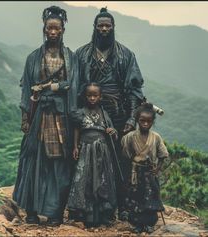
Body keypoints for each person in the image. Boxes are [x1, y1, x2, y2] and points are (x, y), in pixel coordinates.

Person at [75, 7, 145, 219]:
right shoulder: (82, 54)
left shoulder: (126, 55)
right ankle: (87, 206)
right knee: (87, 158)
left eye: (108, 26)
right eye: (100, 26)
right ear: (95, 28)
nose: (104, 29)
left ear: (113, 28)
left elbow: (134, 90)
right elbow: (76, 87)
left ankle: (120, 205)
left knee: (120, 159)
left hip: (118, 114)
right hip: (89, 112)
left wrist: (132, 117)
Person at [12, 6, 79, 226]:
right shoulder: (33, 58)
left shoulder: (70, 58)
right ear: (44, 29)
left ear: (62, 30)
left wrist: (57, 86)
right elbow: (26, 89)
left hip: (61, 118)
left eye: (57, 28)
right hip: (38, 116)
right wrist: (25, 117)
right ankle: (31, 210)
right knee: (34, 161)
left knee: (58, 165)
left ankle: (54, 213)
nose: (53, 32)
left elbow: (75, 85)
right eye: (49, 28)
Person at [67, 83, 117, 227]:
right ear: (85, 96)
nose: (92, 98)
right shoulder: (81, 112)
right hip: (85, 149)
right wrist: (75, 146)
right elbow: (77, 129)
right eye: (90, 95)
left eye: (95, 95)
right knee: (85, 180)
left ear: (100, 97)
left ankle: (102, 215)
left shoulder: (104, 113)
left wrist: (112, 131)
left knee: (101, 180)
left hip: (101, 151)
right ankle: (85, 215)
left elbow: (112, 131)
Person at [121, 103, 169, 233]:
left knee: (151, 198)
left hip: (149, 173)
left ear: (152, 122)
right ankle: (137, 224)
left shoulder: (156, 137)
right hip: (135, 172)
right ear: (137, 120)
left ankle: (149, 223)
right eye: (142, 120)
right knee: (135, 197)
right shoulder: (130, 137)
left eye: (149, 121)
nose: (145, 123)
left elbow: (163, 155)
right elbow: (125, 155)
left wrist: (157, 169)